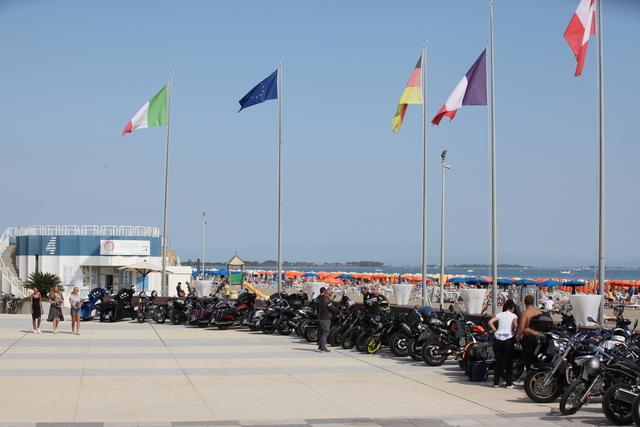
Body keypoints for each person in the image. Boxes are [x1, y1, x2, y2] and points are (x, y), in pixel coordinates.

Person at [488, 299, 518, 388]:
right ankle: (509, 383)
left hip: (497, 339)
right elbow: (516, 326)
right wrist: (514, 331)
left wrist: (495, 330)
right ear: (512, 308)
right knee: (508, 361)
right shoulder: (514, 315)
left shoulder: (500, 314)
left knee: (498, 361)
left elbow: (490, 322)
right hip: (508, 339)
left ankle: (496, 383)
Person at [516, 294, 542, 370]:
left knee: (528, 359)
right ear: (533, 302)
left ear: (525, 302)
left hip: (528, 337)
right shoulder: (539, 312)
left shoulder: (525, 313)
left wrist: (518, 339)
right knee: (536, 357)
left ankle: (529, 373)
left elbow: (521, 328)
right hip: (539, 336)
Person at [316, 287, 337, 352]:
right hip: (325, 318)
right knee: (325, 332)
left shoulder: (321, 299)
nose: (330, 295)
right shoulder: (326, 300)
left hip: (321, 317)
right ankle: (323, 347)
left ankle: (320, 346)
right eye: (330, 294)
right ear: (326, 294)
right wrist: (338, 311)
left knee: (322, 332)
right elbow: (332, 308)